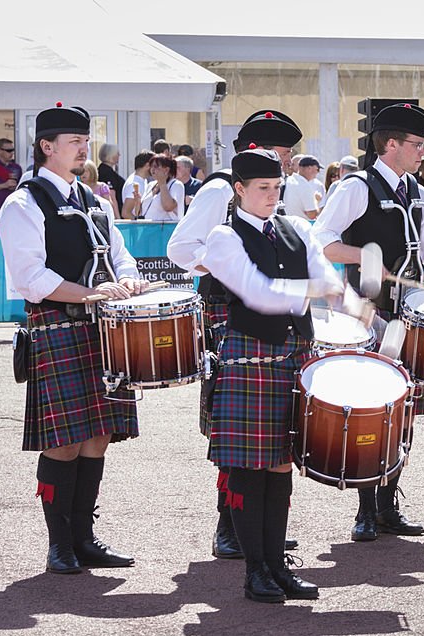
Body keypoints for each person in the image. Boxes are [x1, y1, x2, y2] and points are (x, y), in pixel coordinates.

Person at [315, 103, 424, 542]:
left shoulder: (417, 191)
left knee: (404, 412)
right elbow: (320, 242)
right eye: (416, 144)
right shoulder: (356, 187)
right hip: (368, 315)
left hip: (411, 317)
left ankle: (388, 504)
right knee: (370, 413)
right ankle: (365, 509)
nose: (422, 151)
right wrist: (365, 256)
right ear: (391, 144)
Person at [0, 103, 150, 574]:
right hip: (59, 327)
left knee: (98, 436)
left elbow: (120, 255)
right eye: (74, 142)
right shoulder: (23, 203)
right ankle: (58, 543)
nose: (84, 148)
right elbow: (29, 278)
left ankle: (84, 538)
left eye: (86, 140)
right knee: (63, 441)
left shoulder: (96, 201)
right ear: (47, 147)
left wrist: (129, 280)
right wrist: (89, 294)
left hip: (106, 332)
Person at [202, 147, 343, 603]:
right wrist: (315, 289)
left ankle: (278, 567)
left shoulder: (298, 227)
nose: (271, 196)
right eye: (262, 188)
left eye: (277, 188)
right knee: (248, 466)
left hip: (295, 354)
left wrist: (341, 292)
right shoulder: (223, 238)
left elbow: (324, 274)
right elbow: (258, 294)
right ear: (239, 189)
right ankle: (255, 571)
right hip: (250, 356)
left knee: (282, 462)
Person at [167, 109, 304, 559]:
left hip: (272, 313)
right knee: (233, 431)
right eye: (282, 154)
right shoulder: (221, 187)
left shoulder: (271, 193)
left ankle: (260, 528)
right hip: (228, 311)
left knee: (275, 429)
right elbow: (182, 248)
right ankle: (229, 523)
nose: (286, 165)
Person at [139, 154, 184, 221]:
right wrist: (138, 201)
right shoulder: (150, 185)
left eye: (156, 166)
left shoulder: (176, 185)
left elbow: (168, 207)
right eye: (151, 166)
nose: (152, 169)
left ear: (166, 170)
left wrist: (162, 183)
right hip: (147, 228)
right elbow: (141, 212)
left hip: (166, 229)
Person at [285, 155, 325, 221]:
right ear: (309, 168)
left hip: (287, 223)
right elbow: (312, 215)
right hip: (301, 226)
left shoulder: (289, 180)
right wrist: (316, 201)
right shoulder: (305, 186)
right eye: (317, 169)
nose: (318, 172)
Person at [121, 151, 153, 220]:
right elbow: (125, 213)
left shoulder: (142, 181)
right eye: (154, 166)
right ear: (147, 165)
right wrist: (140, 222)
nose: (156, 169)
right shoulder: (134, 183)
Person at [0, 137, 23, 212]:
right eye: (9, 151)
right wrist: (4, 185)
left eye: (13, 150)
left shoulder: (17, 167)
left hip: (12, 208)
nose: (12, 153)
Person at [96, 143, 125, 208]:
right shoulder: (107, 173)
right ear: (111, 155)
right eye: (117, 153)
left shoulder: (101, 170)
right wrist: (117, 217)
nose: (119, 155)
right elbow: (111, 197)